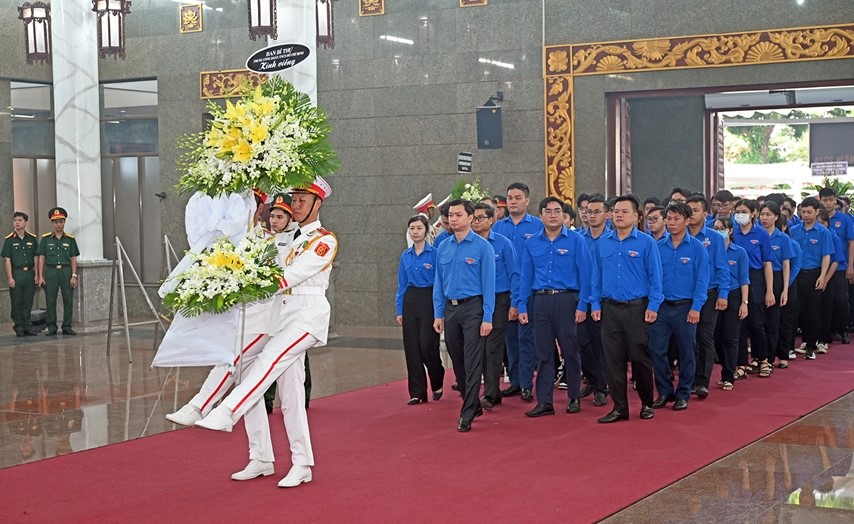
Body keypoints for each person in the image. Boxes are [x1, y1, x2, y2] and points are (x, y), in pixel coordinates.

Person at [195, 177, 337, 489]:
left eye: (302, 200)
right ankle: (289, 461)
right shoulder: (290, 238)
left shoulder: (323, 240)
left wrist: (245, 281)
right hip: (282, 317)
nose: (296, 205)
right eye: (294, 199)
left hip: (307, 317)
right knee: (291, 397)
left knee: (269, 360)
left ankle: (228, 411)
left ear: (318, 203)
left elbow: (288, 277)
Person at [166, 193, 299, 476]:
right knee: (245, 388)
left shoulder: (291, 241)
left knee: (236, 365)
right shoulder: (248, 239)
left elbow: (279, 280)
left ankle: (200, 404)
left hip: (274, 322)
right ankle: (261, 457)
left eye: (255, 206)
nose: (265, 216)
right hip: (249, 320)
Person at [590, 195, 662, 423]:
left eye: (624, 211)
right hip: (609, 308)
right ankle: (620, 407)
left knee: (640, 358)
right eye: (615, 211)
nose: (618, 215)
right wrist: (594, 303)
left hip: (636, 309)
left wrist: (653, 305)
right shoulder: (602, 242)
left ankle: (646, 402)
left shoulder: (646, 242)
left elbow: (655, 277)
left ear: (635, 216)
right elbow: (596, 276)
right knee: (613, 360)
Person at [518, 196, 591, 417]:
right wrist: (521, 305)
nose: (552, 215)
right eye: (547, 211)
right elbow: (525, 276)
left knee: (570, 350)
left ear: (564, 215)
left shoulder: (576, 241)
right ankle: (545, 401)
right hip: (540, 301)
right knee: (544, 353)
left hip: (567, 301)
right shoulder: (531, 243)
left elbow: (586, 274)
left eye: (557, 211)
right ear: (540, 216)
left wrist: (583, 305)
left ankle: (573, 397)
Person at [432, 199, 495, 432]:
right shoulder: (443, 247)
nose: (454, 219)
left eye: (459, 215)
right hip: (451, 309)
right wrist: (438, 313)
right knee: (457, 359)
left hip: (473, 309)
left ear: (471, 218)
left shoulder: (482, 247)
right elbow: (438, 282)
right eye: (451, 215)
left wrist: (487, 317)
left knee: (472, 361)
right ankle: (473, 402)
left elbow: (489, 284)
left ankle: (467, 412)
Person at [649, 202, 708, 412]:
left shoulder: (697, 248)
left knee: (687, 351)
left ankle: (683, 393)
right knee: (657, 350)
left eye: (676, 219)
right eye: (669, 219)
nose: (671, 223)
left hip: (685, 307)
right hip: (661, 307)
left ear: (687, 220)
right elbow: (652, 278)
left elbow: (702, 280)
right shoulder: (657, 246)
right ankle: (665, 391)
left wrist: (697, 307)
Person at [493, 182, 543, 402]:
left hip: (531, 290)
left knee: (527, 339)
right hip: (505, 292)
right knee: (510, 339)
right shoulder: (498, 228)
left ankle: (526, 383)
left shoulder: (538, 226)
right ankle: (514, 381)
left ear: (527, 200)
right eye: (510, 198)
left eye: (517, 197)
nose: (513, 201)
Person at [471, 203, 518, 411]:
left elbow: (514, 275)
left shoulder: (503, 244)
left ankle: (490, 393)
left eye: (481, 217)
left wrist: (515, 303)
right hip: (475, 300)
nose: (476, 221)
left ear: (492, 220)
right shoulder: (467, 244)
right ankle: (489, 390)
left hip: (499, 299)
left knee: (493, 347)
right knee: (478, 348)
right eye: (474, 217)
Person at [396, 215, 444, 405]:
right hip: (410, 299)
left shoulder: (435, 254)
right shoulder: (405, 255)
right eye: (412, 228)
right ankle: (417, 392)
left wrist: (440, 310)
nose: (415, 232)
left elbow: (440, 282)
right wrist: (399, 309)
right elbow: (402, 284)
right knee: (412, 348)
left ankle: (437, 376)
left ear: (426, 231)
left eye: (418, 228)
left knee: (427, 345)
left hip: (430, 299)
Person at [686, 195, 729, 398]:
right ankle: (689, 379)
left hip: (709, 294)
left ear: (705, 214)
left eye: (695, 210)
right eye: (688, 210)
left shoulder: (714, 238)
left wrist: (723, 294)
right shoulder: (678, 236)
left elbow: (722, 268)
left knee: (704, 337)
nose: (691, 214)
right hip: (685, 295)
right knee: (688, 339)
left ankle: (702, 381)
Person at [731, 199, 773, 378]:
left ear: (753, 213)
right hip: (736, 278)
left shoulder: (761, 234)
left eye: (744, 211)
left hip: (755, 278)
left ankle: (763, 360)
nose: (741, 214)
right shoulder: (733, 233)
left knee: (756, 323)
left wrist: (769, 290)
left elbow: (767, 263)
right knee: (738, 325)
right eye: (738, 211)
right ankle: (741, 364)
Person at [790, 197, 834, 361]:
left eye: (809, 212)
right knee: (794, 310)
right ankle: (790, 346)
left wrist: (823, 277)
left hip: (814, 273)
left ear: (817, 212)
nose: (806, 215)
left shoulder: (823, 232)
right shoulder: (794, 230)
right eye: (803, 212)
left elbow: (826, 256)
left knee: (813, 311)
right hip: (796, 274)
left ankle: (810, 345)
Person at [577, 196, 610, 405]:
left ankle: (602, 386)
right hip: (581, 298)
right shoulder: (578, 238)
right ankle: (590, 378)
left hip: (605, 300)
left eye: (597, 211)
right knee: (582, 343)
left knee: (602, 344)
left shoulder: (614, 239)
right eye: (589, 211)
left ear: (607, 214)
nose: (592, 215)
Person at [712, 217, 749, 390]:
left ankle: (729, 375)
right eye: (716, 228)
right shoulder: (710, 250)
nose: (719, 231)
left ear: (730, 230)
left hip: (734, 295)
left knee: (731, 337)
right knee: (716, 337)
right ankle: (724, 369)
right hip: (715, 294)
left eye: (722, 228)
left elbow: (744, 280)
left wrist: (744, 302)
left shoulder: (739, 252)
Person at [758, 201, 794, 373]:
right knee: (759, 321)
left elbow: (787, 265)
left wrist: (785, 289)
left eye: (768, 215)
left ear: (776, 217)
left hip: (778, 278)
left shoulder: (783, 238)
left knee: (774, 321)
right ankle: (760, 357)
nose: (764, 218)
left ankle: (772, 357)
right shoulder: (756, 235)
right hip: (759, 278)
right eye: (762, 214)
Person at [36, 208, 80, 336]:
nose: (58, 224)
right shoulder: (45, 239)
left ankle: (67, 326)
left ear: (64, 222)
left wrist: (74, 275)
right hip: (51, 271)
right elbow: (42, 258)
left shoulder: (70, 239)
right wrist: (40, 276)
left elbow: (73, 258)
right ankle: (51, 327)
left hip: (66, 272)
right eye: (56, 222)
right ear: (52, 223)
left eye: (61, 221)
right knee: (50, 300)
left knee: (68, 300)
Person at [2, 212, 40, 337]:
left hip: (29, 273)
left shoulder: (32, 239)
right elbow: (7, 260)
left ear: (25, 222)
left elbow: (36, 257)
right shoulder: (9, 240)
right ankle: (19, 327)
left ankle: (28, 326)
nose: (17, 222)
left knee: (28, 301)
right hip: (17, 273)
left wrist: (37, 274)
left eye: (20, 220)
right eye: (15, 220)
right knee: (17, 302)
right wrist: (10, 277)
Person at [817, 209, 848, 354]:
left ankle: (826, 337)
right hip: (814, 274)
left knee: (828, 307)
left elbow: (836, 261)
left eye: (823, 222)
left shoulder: (832, 236)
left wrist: (825, 279)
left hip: (831, 274)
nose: (820, 225)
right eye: (818, 222)